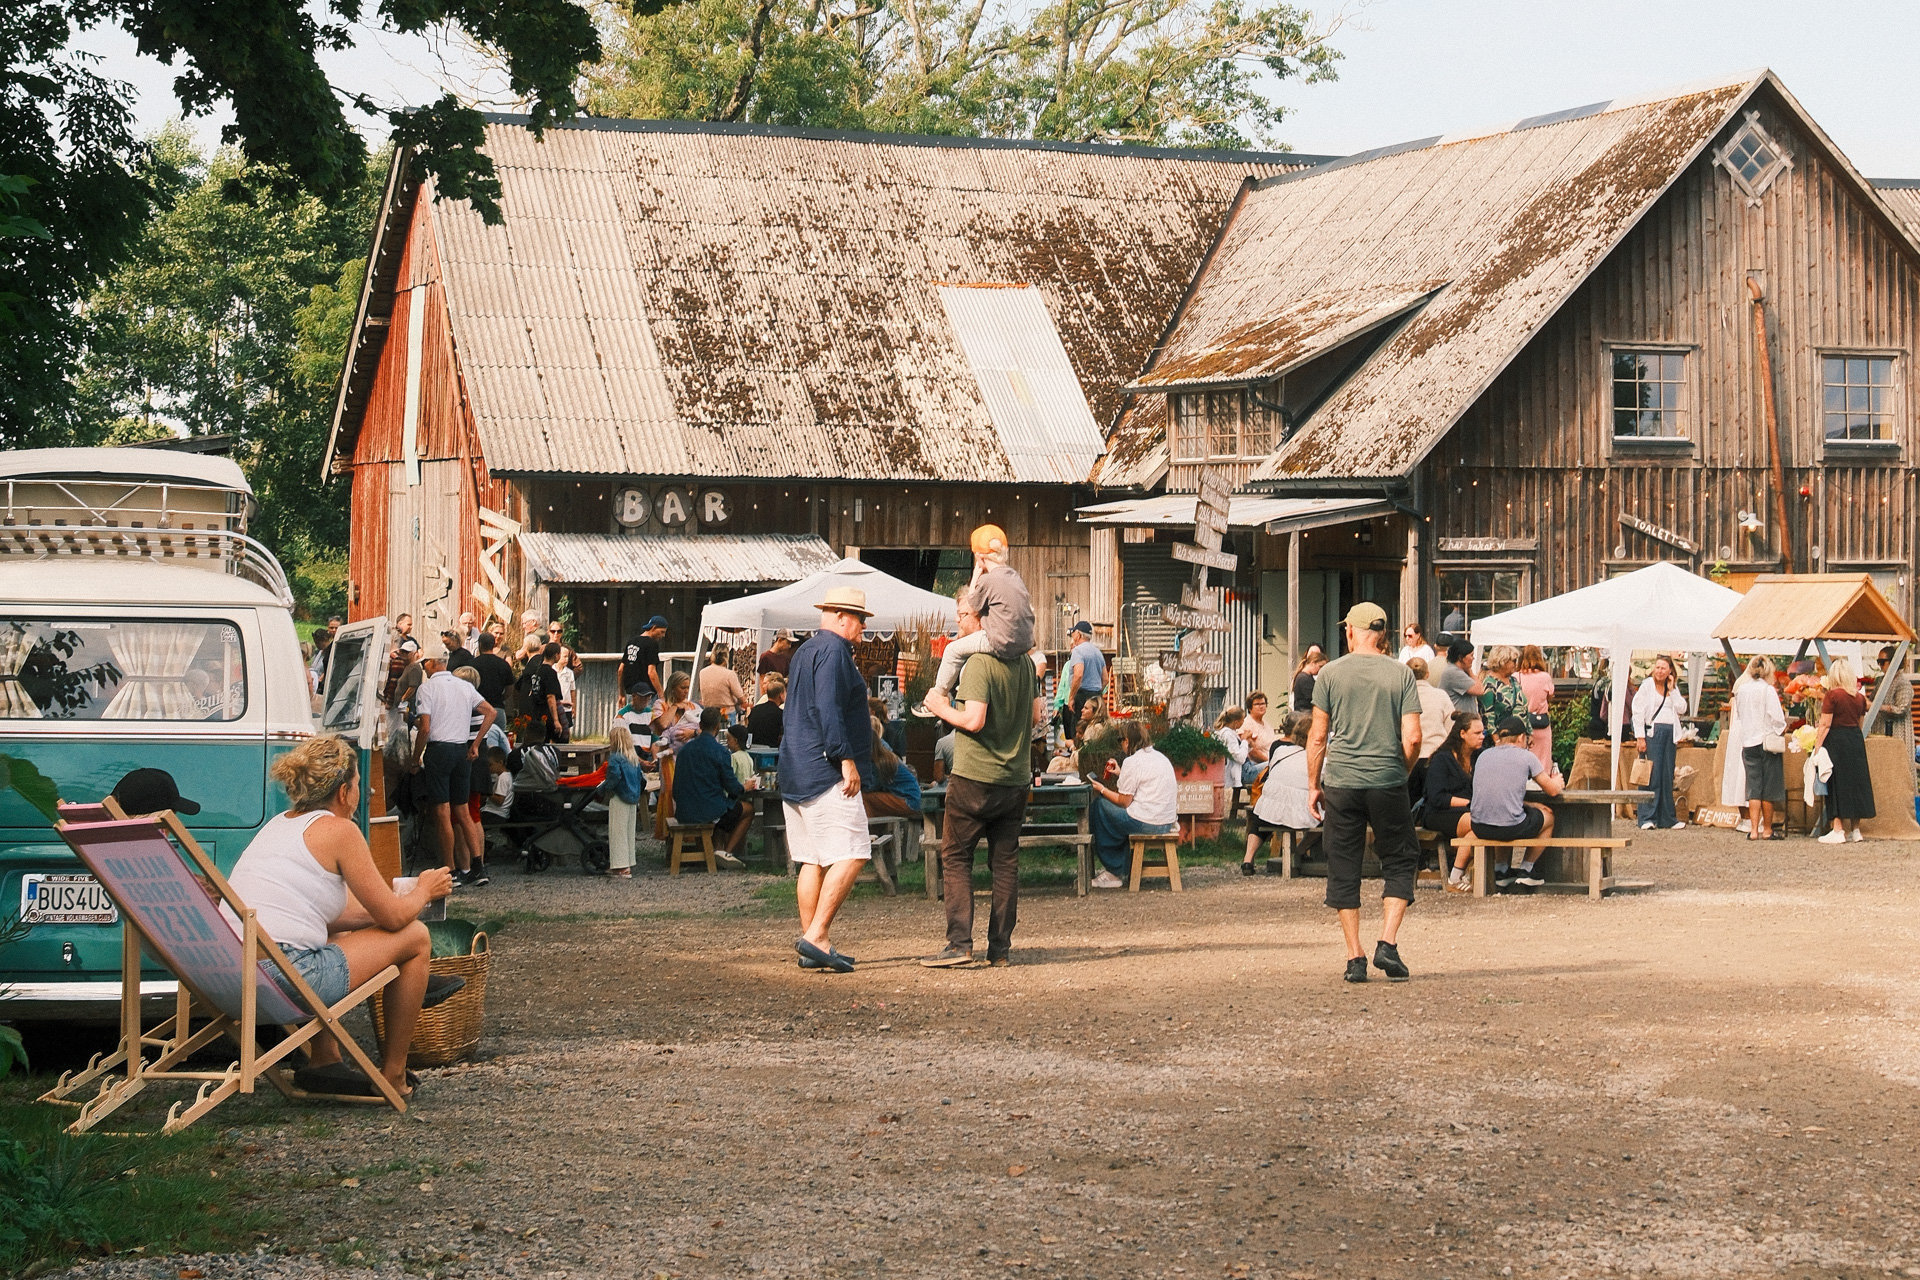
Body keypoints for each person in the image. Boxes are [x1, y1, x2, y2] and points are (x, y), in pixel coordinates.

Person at [226, 736, 458, 1100]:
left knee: (328, 937)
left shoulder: (277, 826)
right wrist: (424, 891)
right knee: (415, 937)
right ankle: (394, 1075)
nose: (364, 792)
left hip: (231, 977)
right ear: (344, 792)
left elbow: (331, 917)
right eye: (359, 785)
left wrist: (382, 915)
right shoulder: (340, 831)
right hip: (286, 977)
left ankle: (324, 1060)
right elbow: (396, 917)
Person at [1306, 602, 1423, 984]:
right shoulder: (1402, 674)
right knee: (1401, 858)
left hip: (1341, 781)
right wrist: (1400, 771)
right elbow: (1414, 737)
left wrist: (1313, 784)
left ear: (1352, 632)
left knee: (1343, 863)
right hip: (1387, 780)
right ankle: (1387, 943)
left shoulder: (1330, 674)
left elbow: (1318, 735)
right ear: (1384, 634)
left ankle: (1354, 956)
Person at [919, 623, 1044, 965]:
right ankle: (1000, 949)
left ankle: (959, 944)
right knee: (1005, 864)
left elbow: (973, 721)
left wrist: (938, 706)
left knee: (957, 858)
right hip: (1015, 778)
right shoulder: (1027, 664)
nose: (961, 625)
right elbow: (1036, 715)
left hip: (974, 776)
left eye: (965, 616)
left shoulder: (977, 664)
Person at [778, 587, 876, 972]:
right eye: (859, 618)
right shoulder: (835, 650)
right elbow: (829, 708)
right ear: (838, 616)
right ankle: (816, 935)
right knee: (854, 851)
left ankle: (812, 943)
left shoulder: (804, 650)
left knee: (812, 860)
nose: (864, 627)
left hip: (795, 764)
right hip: (824, 767)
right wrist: (846, 759)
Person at [920, 525, 1035, 719]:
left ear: (980, 557)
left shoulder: (988, 580)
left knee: (953, 650)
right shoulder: (1014, 577)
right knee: (966, 661)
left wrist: (976, 574)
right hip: (1023, 643)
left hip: (1000, 641)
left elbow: (972, 606)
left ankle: (937, 696)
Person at [409, 649, 497, 886]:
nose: (424, 668)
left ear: (431, 663)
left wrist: (416, 758)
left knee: (442, 810)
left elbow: (425, 728)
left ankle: (450, 869)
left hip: (440, 749)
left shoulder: (427, 689)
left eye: (425, 664)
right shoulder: (464, 686)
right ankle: (478, 866)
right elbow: (491, 711)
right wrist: (476, 744)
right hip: (462, 749)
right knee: (463, 810)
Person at [1471, 715, 1563, 889]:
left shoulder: (1483, 755)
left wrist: (1529, 804)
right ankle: (1527, 869)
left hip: (1479, 826)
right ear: (1521, 737)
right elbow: (1551, 790)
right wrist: (1558, 781)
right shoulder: (1526, 756)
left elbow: (1499, 794)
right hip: (1510, 827)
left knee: (1505, 813)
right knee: (1548, 817)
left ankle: (1501, 870)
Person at [1087, 720, 1178, 890]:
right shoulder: (1160, 757)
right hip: (1165, 823)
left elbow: (1124, 801)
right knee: (1117, 819)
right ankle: (1119, 866)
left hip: (1146, 822)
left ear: (1127, 741)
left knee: (1099, 806)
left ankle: (1114, 870)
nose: (1121, 745)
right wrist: (1121, 773)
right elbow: (1142, 785)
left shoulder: (1133, 761)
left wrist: (1102, 789)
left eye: (1120, 740)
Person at [674, 707, 755, 865]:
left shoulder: (685, 750)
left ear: (700, 725)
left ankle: (716, 851)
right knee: (747, 809)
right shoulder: (720, 751)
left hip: (684, 809)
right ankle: (727, 852)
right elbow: (731, 786)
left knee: (720, 808)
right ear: (718, 727)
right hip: (708, 810)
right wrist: (744, 787)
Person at [1245, 713, 1314, 874]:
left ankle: (1247, 860)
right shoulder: (1315, 757)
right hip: (1299, 813)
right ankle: (1299, 852)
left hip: (1268, 809)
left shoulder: (1279, 750)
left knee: (1260, 818)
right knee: (1325, 817)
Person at [1816, 657, 1876, 843]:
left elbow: (1825, 724)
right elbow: (1860, 723)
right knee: (1856, 783)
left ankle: (1837, 828)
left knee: (1836, 783)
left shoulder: (1832, 696)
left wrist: (1817, 748)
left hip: (1836, 740)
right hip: (1854, 739)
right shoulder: (1859, 698)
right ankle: (1856, 830)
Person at [1426, 713, 1483, 891]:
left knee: (1488, 823)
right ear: (1462, 734)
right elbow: (1437, 797)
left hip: (1470, 810)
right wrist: (1469, 803)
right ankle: (1455, 877)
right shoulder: (1442, 759)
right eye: (1477, 733)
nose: (1482, 736)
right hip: (1439, 812)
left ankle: (1471, 873)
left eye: (1483, 732)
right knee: (1478, 822)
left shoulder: (1478, 756)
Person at [1733, 655, 1788, 841]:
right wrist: (1779, 730)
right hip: (1766, 742)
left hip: (1748, 742)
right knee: (1768, 789)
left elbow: (1739, 715)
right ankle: (1767, 829)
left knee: (1753, 787)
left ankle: (1753, 829)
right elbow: (1778, 719)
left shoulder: (1741, 690)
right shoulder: (1768, 690)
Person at [1632, 654, 1688, 831]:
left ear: (1670, 671)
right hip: (1653, 732)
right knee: (1652, 776)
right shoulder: (1647, 686)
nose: (1659, 671)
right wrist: (1640, 736)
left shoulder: (1673, 688)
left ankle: (1667, 818)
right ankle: (1647, 817)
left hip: (1669, 733)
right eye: (1657, 667)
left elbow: (1682, 708)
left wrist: (1672, 690)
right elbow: (1638, 711)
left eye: (1663, 668)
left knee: (1666, 775)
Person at [650, 671, 701, 837]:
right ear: (672, 688)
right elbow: (662, 724)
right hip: (669, 758)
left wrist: (692, 734)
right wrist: (674, 707)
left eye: (687, 688)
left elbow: (707, 727)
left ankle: (690, 836)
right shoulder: (660, 704)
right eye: (682, 688)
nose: (686, 691)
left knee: (690, 792)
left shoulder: (693, 707)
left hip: (690, 758)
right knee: (671, 793)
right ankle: (670, 835)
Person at [1406, 657, 1457, 808]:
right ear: (1427, 674)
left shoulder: (1402, 696)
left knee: (1409, 807)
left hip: (1410, 758)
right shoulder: (1440, 695)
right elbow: (1451, 726)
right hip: (1435, 756)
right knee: (1435, 804)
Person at [604, 723, 646, 878]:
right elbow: (641, 779)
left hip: (619, 797)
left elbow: (613, 778)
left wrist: (604, 790)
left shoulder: (615, 758)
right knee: (628, 831)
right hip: (633, 798)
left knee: (617, 832)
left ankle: (620, 866)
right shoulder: (633, 759)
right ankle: (628, 862)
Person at [866, 719, 924, 819]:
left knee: (865, 797)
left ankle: (871, 830)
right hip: (913, 799)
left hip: (909, 802)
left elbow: (871, 786)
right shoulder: (886, 757)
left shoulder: (879, 763)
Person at [1515, 645, 1557, 774]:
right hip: (1541, 724)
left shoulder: (1515, 677)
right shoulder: (1545, 677)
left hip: (1521, 724)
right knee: (1542, 761)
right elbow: (1550, 695)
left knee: (1520, 761)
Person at [523, 641, 567, 744]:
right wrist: (556, 720)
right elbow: (550, 697)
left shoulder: (537, 670)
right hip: (546, 714)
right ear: (556, 655)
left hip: (535, 711)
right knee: (559, 739)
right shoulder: (550, 672)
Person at [618, 616, 668, 706]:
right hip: (646, 694)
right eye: (662, 632)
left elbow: (621, 670)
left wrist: (621, 694)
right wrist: (661, 695)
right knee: (648, 719)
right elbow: (651, 672)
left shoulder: (631, 642)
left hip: (631, 693)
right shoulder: (651, 644)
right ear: (654, 627)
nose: (663, 636)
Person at [1477, 646, 1527, 734]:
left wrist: (1529, 733)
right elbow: (1488, 715)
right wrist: (1496, 740)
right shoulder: (1489, 683)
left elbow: (1523, 708)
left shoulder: (1514, 681)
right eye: (1514, 661)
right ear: (1503, 661)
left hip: (1519, 736)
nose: (1516, 664)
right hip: (1502, 737)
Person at [1065, 620, 1106, 724]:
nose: (1073, 636)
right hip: (1096, 695)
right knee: (1095, 726)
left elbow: (1078, 675)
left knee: (1079, 728)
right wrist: (1097, 692)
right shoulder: (1098, 652)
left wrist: (1071, 697)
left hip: (1082, 695)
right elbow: (1105, 679)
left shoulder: (1078, 651)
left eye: (1074, 633)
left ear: (1078, 634)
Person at [699, 645, 749, 721]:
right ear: (726, 657)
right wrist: (736, 702)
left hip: (708, 712)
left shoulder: (702, 672)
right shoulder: (729, 674)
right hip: (726, 713)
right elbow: (741, 698)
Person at [468, 632, 515, 709]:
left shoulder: (472, 664)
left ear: (480, 645)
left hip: (478, 708)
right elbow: (510, 687)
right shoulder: (503, 664)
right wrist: (502, 698)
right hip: (497, 707)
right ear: (493, 645)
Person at [1876, 645, 1914, 737]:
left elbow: (1900, 709)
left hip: (1897, 734)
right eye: (1878, 662)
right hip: (1881, 732)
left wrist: (1876, 707)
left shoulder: (1903, 683)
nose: (1880, 665)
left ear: (1893, 662)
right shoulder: (1881, 681)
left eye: (1882, 662)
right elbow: (1871, 701)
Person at [1437, 640, 1483, 715]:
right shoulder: (1453, 672)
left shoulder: (1459, 671)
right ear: (1461, 657)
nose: (1473, 658)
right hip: (1458, 721)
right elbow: (1479, 690)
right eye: (1471, 655)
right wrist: (1470, 671)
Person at [1213, 706, 1250, 789]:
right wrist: (1244, 740)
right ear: (1236, 722)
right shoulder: (1227, 734)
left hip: (1243, 768)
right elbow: (1240, 758)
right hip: (1239, 772)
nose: (1243, 722)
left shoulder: (1231, 732)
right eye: (1243, 720)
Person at [747, 674, 786, 747]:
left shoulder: (755, 710)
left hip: (753, 749)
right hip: (771, 751)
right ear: (781, 695)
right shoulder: (780, 714)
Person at [1241, 691, 1276, 764]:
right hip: (1259, 766)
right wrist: (1270, 763)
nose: (1261, 706)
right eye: (1257, 704)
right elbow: (1252, 752)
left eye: (1263, 703)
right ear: (1250, 708)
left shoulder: (1267, 725)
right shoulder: (1246, 724)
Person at [1291, 646, 1326, 713]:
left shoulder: (1305, 677)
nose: (1321, 670)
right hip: (1304, 717)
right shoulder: (1304, 679)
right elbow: (1315, 699)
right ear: (1313, 663)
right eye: (1320, 666)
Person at [308, 628, 333, 695]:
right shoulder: (318, 652)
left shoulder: (330, 652)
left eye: (318, 642)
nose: (317, 645)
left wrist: (321, 678)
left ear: (325, 640)